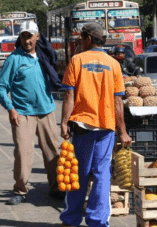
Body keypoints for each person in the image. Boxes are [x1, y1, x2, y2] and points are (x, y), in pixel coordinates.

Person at [60, 22, 132, 227]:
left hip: (82, 126)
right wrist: (123, 132)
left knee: (78, 173)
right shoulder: (113, 64)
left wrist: (64, 123)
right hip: (106, 128)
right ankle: (98, 221)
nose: (79, 42)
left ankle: (71, 219)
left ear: (88, 39)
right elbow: (118, 101)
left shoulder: (77, 61)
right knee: (102, 175)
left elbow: (69, 95)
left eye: (81, 38)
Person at [0, 20, 63, 205]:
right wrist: (11, 108)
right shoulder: (14, 59)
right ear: (20, 38)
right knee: (23, 153)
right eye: (23, 36)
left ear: (37, 37)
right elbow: (0, 87)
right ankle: (20, 190)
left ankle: (55, 187)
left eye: (30, 36)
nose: (27, 40)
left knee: (52, 152)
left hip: (46, 111)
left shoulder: (44, 57)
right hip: (23, 113)